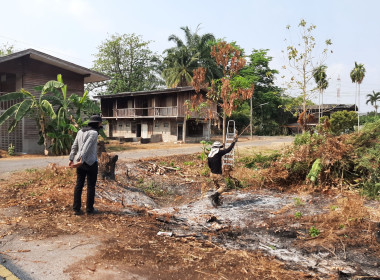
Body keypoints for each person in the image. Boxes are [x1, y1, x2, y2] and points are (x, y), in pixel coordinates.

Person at [69, 115, 102, 215]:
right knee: (91, 186)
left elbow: (75, 145)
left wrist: (71, 158)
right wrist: (82, 159)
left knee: (79, 185)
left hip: (80, 163)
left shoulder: (80, 131)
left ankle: (76, 209)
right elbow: (86, 147)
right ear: (98, 123)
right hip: (90, 163)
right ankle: (89, 209)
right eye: (100, 123)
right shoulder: (94, 133)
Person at [207, 133, 238, 207]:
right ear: (218, 148)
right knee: (224, 187)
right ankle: (213, 196)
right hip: (218, 174)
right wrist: (234, 141)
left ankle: (216, 203)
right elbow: (228, 150)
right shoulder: (218, 153)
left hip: (212, 174)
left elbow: (209, 165)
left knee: (218, 188)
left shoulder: (210, 154)